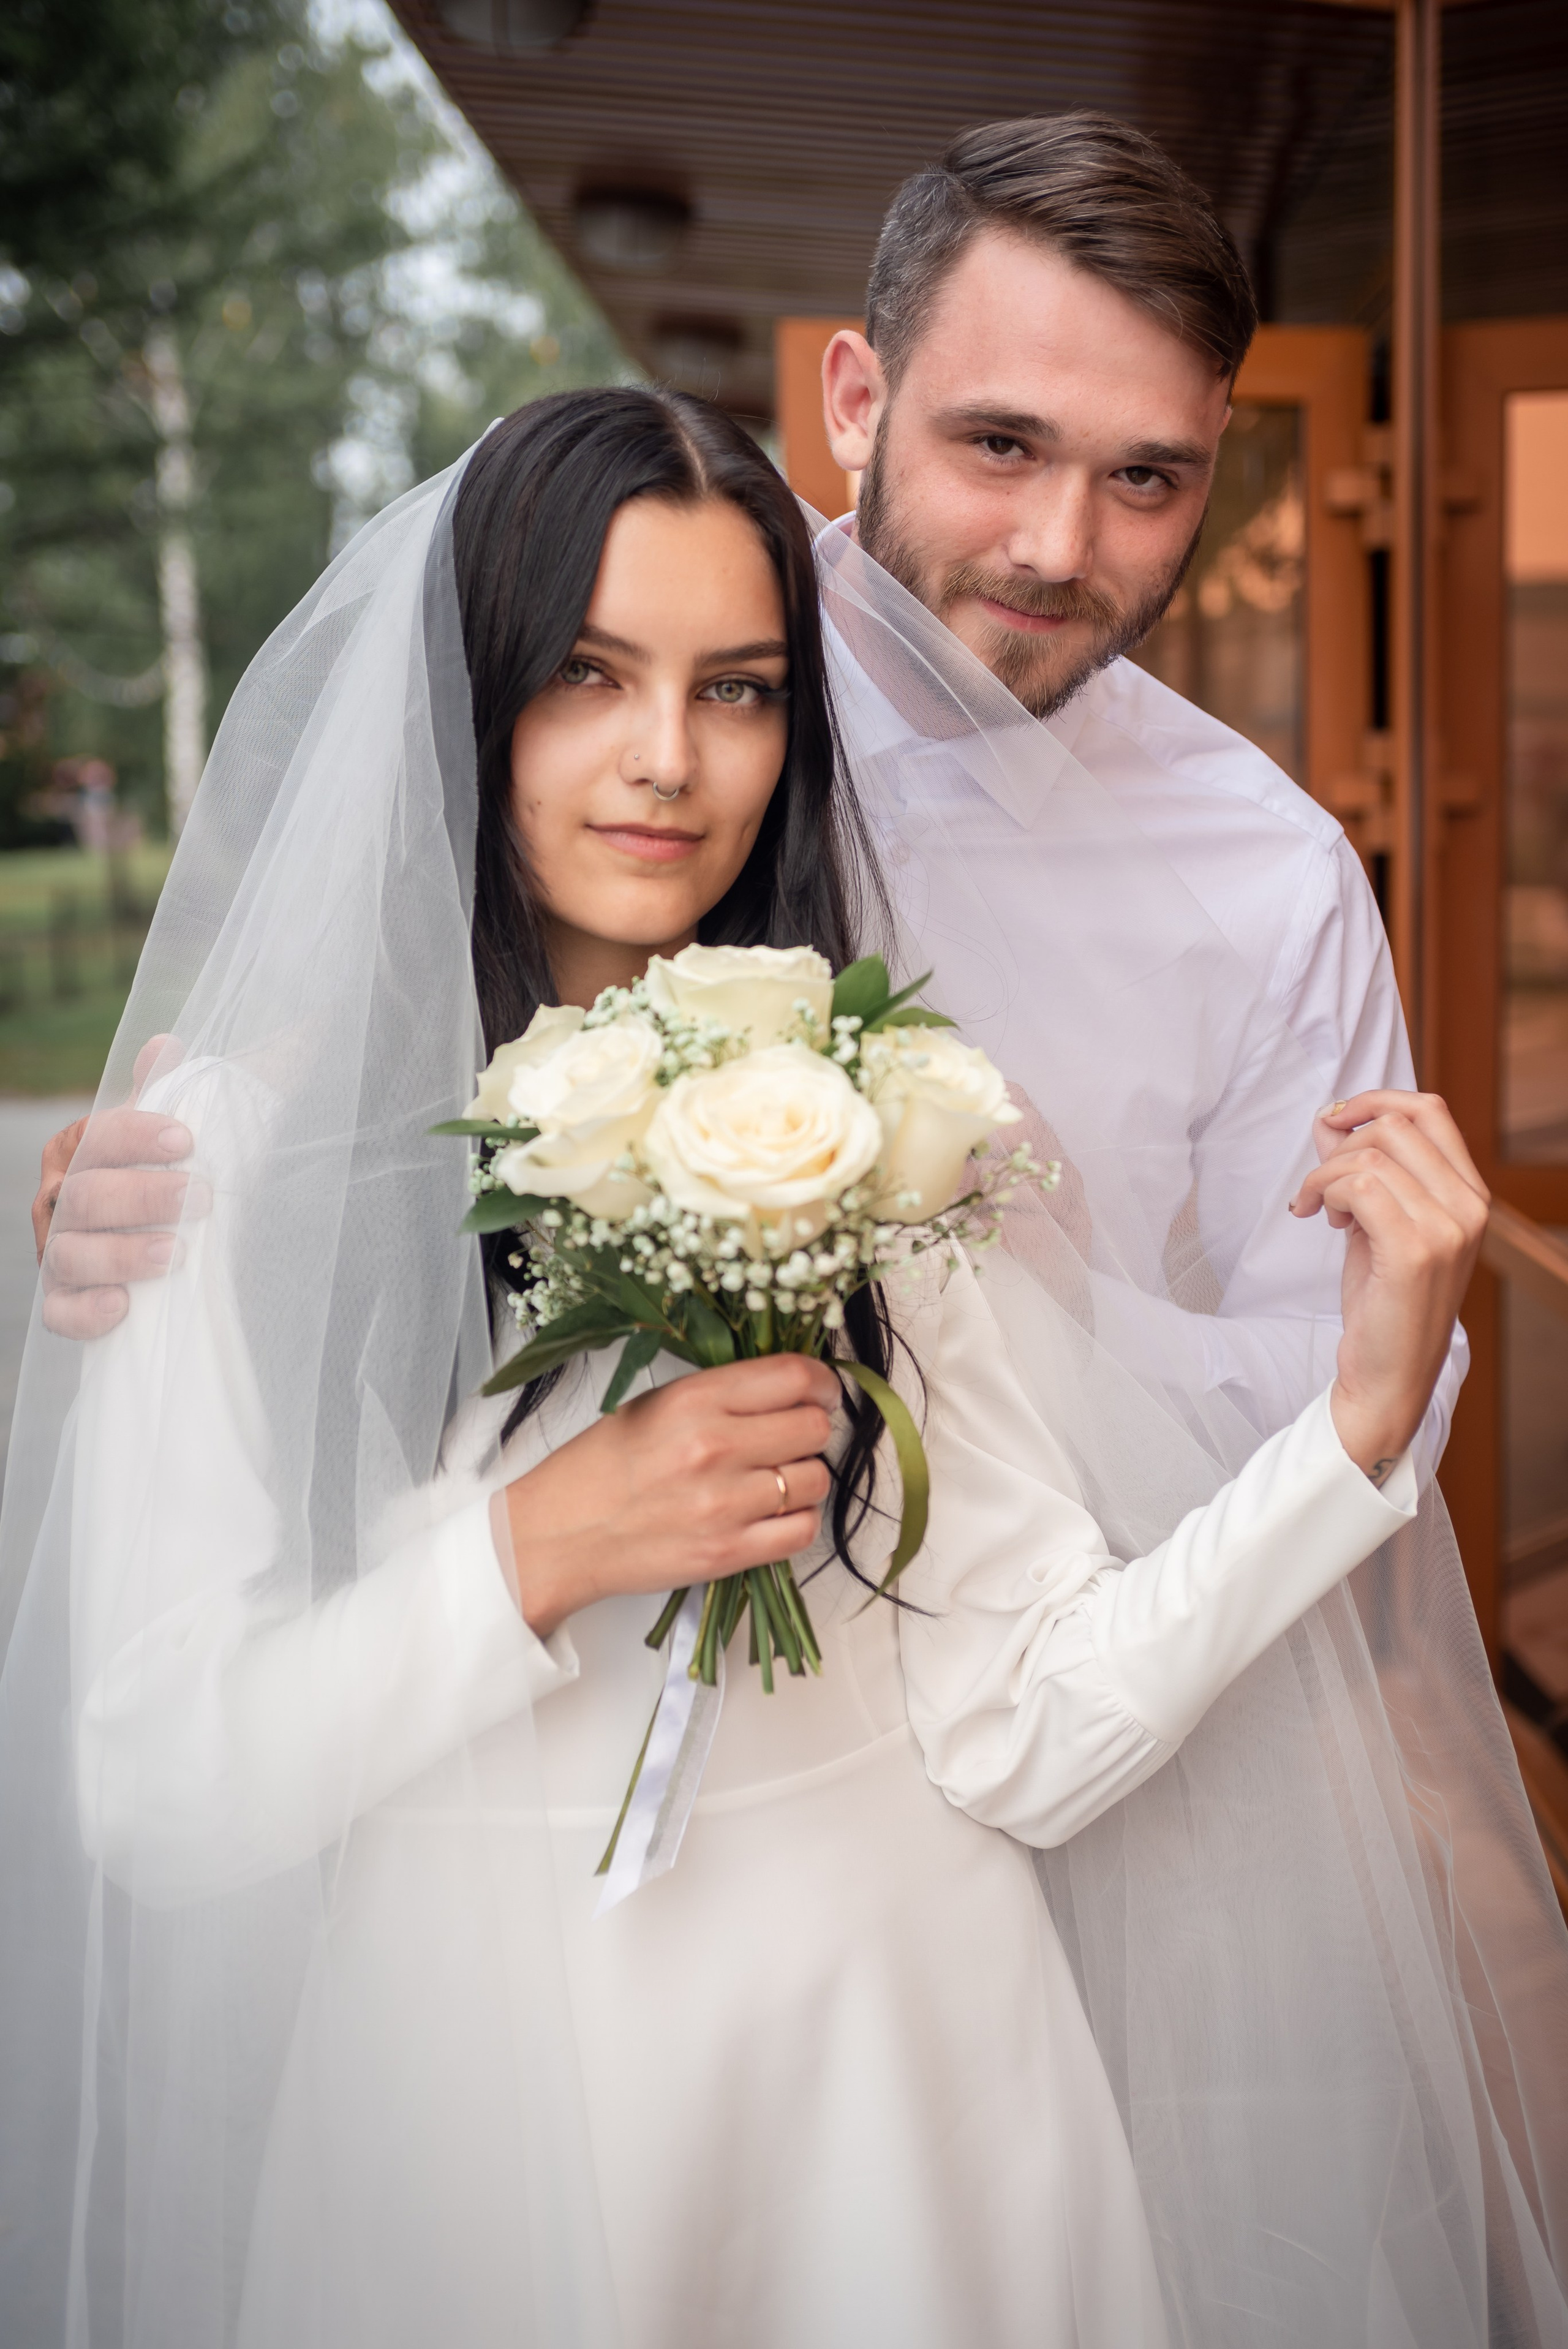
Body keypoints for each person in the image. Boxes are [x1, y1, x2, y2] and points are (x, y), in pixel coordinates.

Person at [0, 385, 1562, 2349]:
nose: (668, 761)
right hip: (479, 2132)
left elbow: (1020, 1726)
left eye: (738, 690)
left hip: (907, 2104)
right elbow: (160, 1790)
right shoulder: (206, 1174)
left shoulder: (887, 1122)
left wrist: (1349, 1430)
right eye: (588, 674)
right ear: (470, 695)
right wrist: (535, 1547)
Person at [30, 113, 1463, 1490]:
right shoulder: (634, 732)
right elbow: (400, 1025)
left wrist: (1057, 1297)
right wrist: (195, 1186)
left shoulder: (1272, 876)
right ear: (856, 400)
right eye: (1000, 446)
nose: (1056, 544)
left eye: (1145, 476)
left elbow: (1358, 1390)